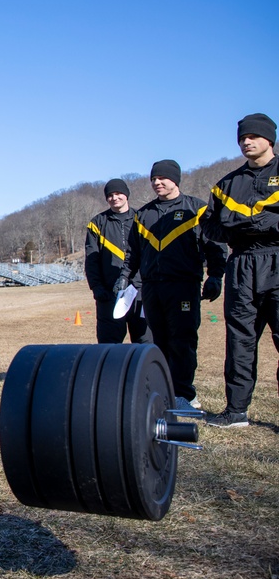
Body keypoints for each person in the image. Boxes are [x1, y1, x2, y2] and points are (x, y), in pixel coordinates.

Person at [115, 160, 227, 410]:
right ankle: (162, 390)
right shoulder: (143, 215)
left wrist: (216, 276)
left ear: (175, 179)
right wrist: (125, 276)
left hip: (183, 285)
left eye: (163, 178)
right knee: (159, 341)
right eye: (153, 179)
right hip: (152, 287)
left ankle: (186, 395)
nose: (157, 182)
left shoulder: (196, 209)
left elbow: (215, 246)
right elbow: (132, 252)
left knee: (183, 340)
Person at [201, 113, 278, 428]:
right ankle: (236, 412)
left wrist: (260, 224)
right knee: (239, 339)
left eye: (253, 137)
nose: (247, 142)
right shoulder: (226, 184)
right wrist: (236, 231)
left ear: (269, 138)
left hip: (277, 260)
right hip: (241, 264)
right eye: (242, 138)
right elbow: (209, 223)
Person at [85, 178, 151, 344]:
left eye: (118, 193)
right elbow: (91, 260)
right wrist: (97, 287)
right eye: (110, 195)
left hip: (139, 291)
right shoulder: (97, 224)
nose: (115, 198)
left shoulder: (141, 218)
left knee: (145, 341)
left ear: (126, 195)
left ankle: (143, 371)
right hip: (109, 293)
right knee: (109, 344)